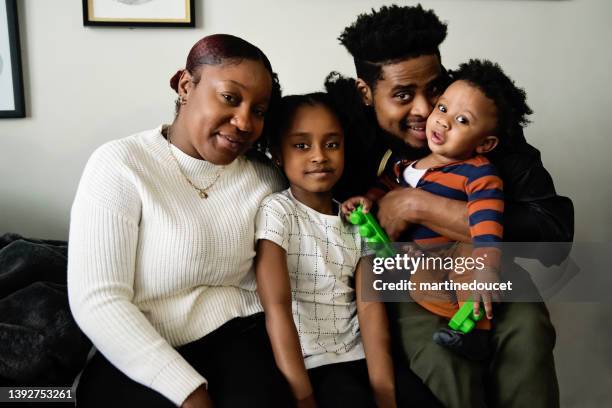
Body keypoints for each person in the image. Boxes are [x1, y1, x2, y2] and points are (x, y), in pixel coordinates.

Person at [326, 5, 573, 408]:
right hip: (396, 284)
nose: (427, 112)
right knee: (443, 360)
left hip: (485, 274)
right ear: (365, 93)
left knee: (526, 330)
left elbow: (554, 234)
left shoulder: (480, 116)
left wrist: (416, 204)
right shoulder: (338, 133)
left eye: (436, 89)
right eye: (404, 95)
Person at [67, 34, 293, 408]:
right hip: (142, 346)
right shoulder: (121, 165)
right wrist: (188, 391)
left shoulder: (264, 177)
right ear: (186, 85)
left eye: (259, 110)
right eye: (231, 98)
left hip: (241, 337)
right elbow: (98, 299)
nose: (244, 122)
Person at [343, 59, 535, 362]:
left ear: (485, 143)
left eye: (462, 121)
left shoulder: (479, 173)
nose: (443, 121)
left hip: (461, 251)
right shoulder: (404, 167)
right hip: (428, 258)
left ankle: (477, 333)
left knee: (468, 272)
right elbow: (384, 190)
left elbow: (486, 222)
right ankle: (458, 322)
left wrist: (487, 266)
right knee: (420, 285)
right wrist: (366, 201)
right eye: (443, 109)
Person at [254, 93, 397, 408]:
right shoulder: (278, 212)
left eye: (332, 144)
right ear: (278, 154)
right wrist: (303, 396)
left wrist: (385, 392)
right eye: (302, 146)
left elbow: (371, 310)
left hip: (361, 356)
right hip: (313, 364)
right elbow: (276, 307)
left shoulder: (356, 219)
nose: (319, 156)